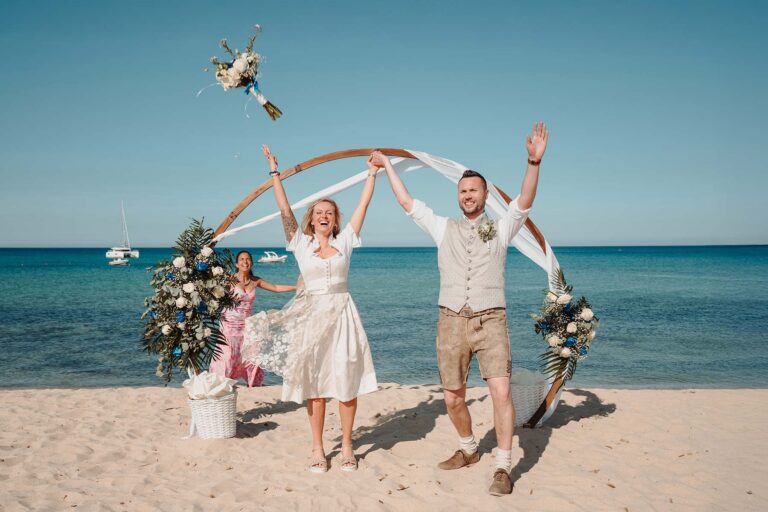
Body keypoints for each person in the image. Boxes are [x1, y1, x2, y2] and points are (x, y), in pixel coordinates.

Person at [372, 122, 549, 495]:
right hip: (450, 320)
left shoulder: (501, 229)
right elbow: (408, 204)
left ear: (485, 194)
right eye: (463, 191)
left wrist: (533, 163)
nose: (468, 195)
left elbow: (524, 203)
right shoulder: (441, 228)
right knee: (453, 397)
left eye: (474, 190)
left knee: (501, 392)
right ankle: (469, 448)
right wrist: (388, 166)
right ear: (459, 197)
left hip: (492, 319)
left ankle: (503, 465)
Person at [243, 144, 379, 473]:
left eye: (328, 213)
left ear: (334, 222)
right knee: (315, 386)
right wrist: (275, 173)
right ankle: (318, 447)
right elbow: (285, 210)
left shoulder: (346, 241)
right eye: (318, 212)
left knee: (346, 383)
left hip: (344, 316)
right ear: (312, 220)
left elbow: (363, 204)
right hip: (313, 317)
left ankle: (347, 445)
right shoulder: (301, 245)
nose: (323, 216)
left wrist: (372, 174)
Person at [209, 250, 296, 386]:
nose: (245, 262)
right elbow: (212, 291)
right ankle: (219, 385)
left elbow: (276, 287)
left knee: (252, 356)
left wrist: (297, 287)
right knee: (227, 358)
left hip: (247, 326)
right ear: (237, 264)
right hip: (228, 326)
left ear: (252, 263)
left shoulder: (255, 281)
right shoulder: (229, 280)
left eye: (248, 259)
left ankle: (253, 383)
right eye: (242, 259)